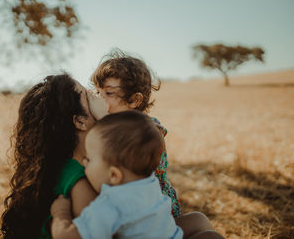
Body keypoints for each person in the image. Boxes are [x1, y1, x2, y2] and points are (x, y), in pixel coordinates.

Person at [89, 50, 224, 238]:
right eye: (98, 92)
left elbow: (124, 148)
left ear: (135, 100)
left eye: (108, 93)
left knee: (200, 220)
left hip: (151, 216)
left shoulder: (150, 130)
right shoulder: (106, 125)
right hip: (135, 222)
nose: (99, 99)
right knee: (201, 226)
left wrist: (102, 118)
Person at [0, 74, 107, 239]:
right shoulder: (81, 180)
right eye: (86, 94)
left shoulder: (54, 169)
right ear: (80, 121)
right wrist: (109, 120)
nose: (95, 95)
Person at [50, 110, 183, 239]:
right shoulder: (150, 183)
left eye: (89, 159)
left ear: (114, 175)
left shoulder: (111, 203)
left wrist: (60, 214)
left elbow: (68, 236)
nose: (84, 163)